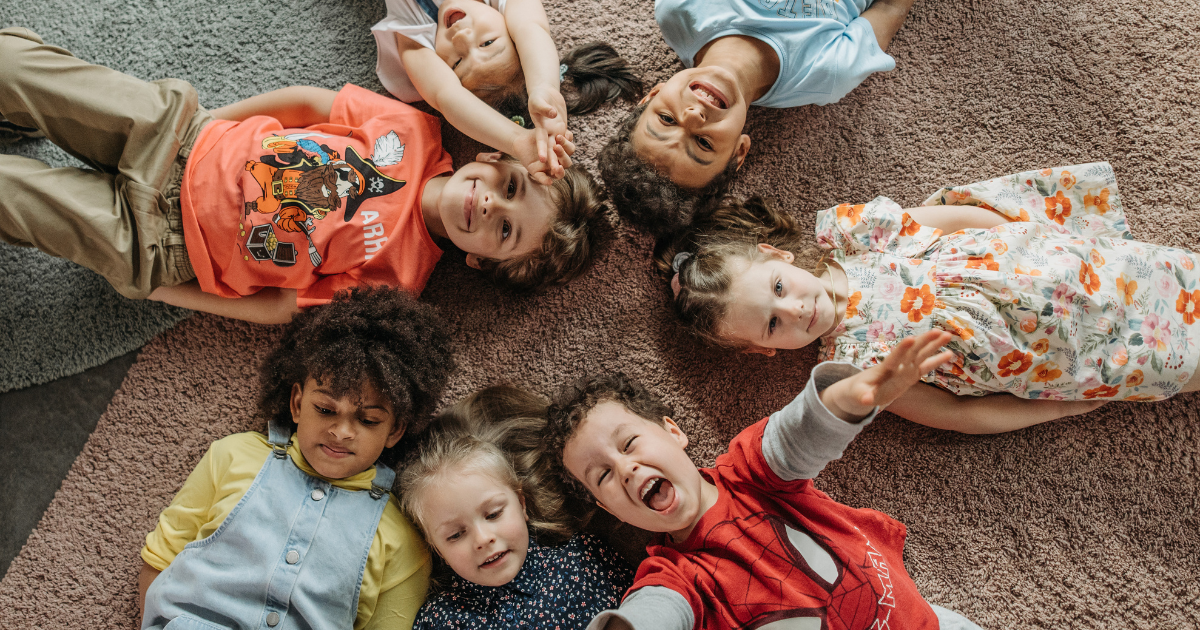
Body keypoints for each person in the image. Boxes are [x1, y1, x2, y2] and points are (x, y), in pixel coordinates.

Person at [0, 27, 607, 324]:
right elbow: (309, 105)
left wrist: (157, 287)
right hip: (177, 139)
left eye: (503, 233)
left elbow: (283, 306)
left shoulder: (399, 282)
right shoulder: (414, 134)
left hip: (161, 247)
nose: (488, 208)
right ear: (493, 158)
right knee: (18, 66)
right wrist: (209, 122)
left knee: (14, 197)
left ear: (479, 262)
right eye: (510, 190)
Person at [659, 162, 1200, 433]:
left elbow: (963, 223)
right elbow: (961, 414)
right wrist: (1060, 407)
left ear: (777, 256)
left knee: (1175, 278)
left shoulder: (861, 236)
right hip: (1059, 357)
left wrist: (1033, 243)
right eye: (772, 325)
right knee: (1178, 361)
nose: (796, 309)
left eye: (779, 289)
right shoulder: (856, 372)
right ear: (762, 350)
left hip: (1066, 267)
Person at [544, 331, 983, 630]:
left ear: (673, 431)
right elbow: (656, 610)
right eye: (602, 475)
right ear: (606, 507)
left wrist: (847, 399)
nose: (625, 469)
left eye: (629, 443)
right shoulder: (674, 576)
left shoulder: (748, 470)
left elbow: (796, 435)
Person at [137, 286, 456, 630]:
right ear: (297, 403)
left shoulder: (401, 537)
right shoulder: (233, 456)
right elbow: (160, 558)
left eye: (367, 420)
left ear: (395, 431)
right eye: (325, 409)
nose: (342, 431)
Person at [598, 0, 916, 236]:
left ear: (653, 94)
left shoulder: (681, 9)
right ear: (739, 151)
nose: (694, 116)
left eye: (667, 120)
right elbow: (890, 6)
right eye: (703, 143)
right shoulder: (826, 74)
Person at [396, 385, 634, 630]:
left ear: (522, 504)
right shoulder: (440, 619)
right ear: (436, 548)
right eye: (455, 534)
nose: (483, 539)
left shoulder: (584, 559)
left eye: (493, 514)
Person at [371, 0, 642, 181]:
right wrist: (545, 89)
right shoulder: (501, 5)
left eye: (457, 62)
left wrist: (515, 141)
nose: (461, 37)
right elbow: (531, 27)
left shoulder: (416, 29)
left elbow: (445, 96)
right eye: (487, 43)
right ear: (508, 25)